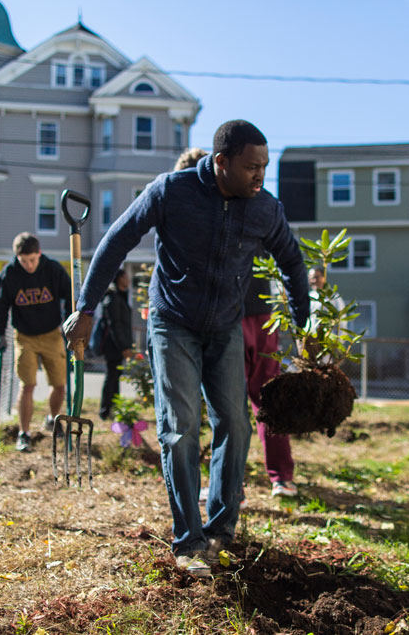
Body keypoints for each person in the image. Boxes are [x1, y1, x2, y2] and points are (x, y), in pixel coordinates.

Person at [63, 120, 310, 577]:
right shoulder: (170, 192)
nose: (260, 176)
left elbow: (292, 261)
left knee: (235, 423)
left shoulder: (264, 209)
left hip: (225, 327)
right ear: (221, 163)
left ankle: (221, 529)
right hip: (172, 321)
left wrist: (306, 322)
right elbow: (116, 240)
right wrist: (87, 308)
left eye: (265, 168)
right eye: (252, 167)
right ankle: (189, 540)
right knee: (179, 427)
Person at [0, 232, 72, 452]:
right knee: (27, 385)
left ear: (40, 254)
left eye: (32, 260)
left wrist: (69, 323)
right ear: (17, 258)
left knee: (59, 384)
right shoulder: (9, 274)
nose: (28, 265)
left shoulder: (53, 269)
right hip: (24, 335)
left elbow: (69, 295)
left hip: (51, 333)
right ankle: (24, 433)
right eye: (23, 261)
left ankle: (53, 419)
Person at [244, 259, 298, 498]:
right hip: (257, 314)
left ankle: (231, 487)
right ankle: (281, 478)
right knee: (265, 399)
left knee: (264, 399)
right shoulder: (261, 221)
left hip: (242, 315)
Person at [90, 268, 133, 420]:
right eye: (126, 276)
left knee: (115, 376)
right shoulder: (112, 299)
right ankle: (105, 410)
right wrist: (124, 346)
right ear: (119, 279)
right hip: (113, 346)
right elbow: (116, 325)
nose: (128, 280)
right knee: (111, 377)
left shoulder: (120, 297)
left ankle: (114, 408)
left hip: (119, 346)